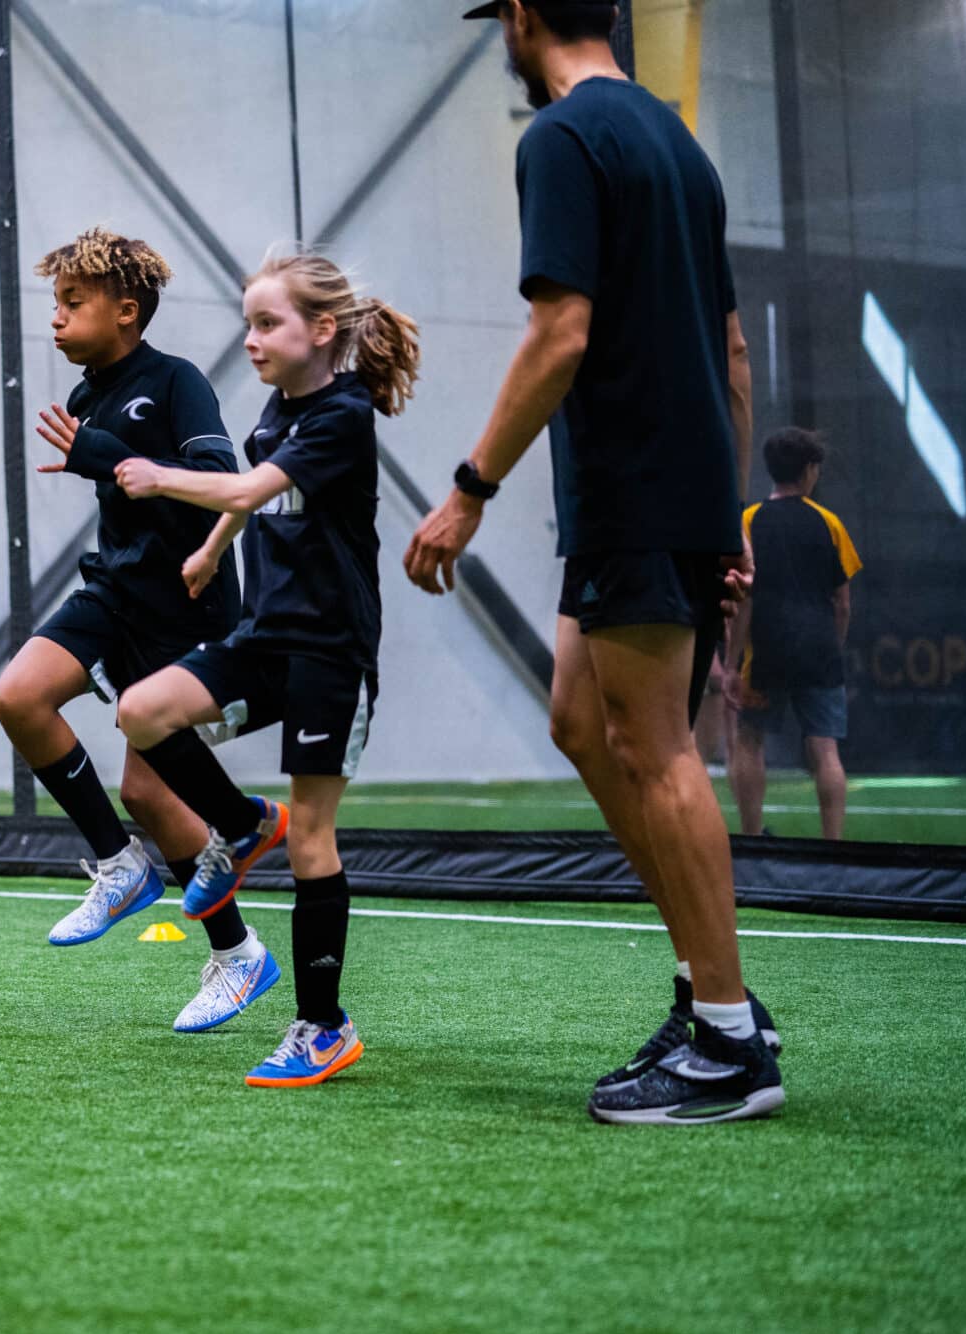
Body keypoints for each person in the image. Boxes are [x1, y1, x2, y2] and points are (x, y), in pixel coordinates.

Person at [404, 0, 783, 1124]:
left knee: (657, 750)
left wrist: (468, 491)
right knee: (580, 719)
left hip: (633, 489)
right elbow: (731, 349)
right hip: (673, 491)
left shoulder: (562, 137)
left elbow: (559, 332)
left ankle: (729, 1043)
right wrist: (726, 514)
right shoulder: (679, 144)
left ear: (524, 16)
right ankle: (708, 988)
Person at [114, 250, 418, 1084]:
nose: (251, 339)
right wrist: (213, 551)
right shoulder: (276, 413)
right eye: (247, 323)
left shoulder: (343, 415)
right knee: (142, 710)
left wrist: (164, 479)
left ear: (321, 331)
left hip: (330, 651)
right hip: (263, 637)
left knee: (313, 833)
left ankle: (323, 1026)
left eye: (266, 323)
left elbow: (249, 490)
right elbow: (255, 492)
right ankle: (242, 825)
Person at [0, 226, 268, 1031]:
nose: (55, 316)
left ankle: (237, 954)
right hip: (114, 592)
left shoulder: (177, 382)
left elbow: (220, 489)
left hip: (186, 607)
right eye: (54, 302)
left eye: (72, 302)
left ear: (125, 311)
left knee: (147, 790)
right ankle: (120, 866)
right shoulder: (86, 398)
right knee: (18, 697)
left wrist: (107, 454)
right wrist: (101, 454)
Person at [727, 427, 861, 839]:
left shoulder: (748, 522)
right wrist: (833, 646)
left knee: (749, 739)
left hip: (765, 652)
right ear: (808, 470)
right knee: (824, 749)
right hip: (819, 650)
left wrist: (731, 664)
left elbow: (742, 600)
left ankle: (752, 838)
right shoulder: (829, 523)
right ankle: (832, 845)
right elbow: (842, 602)